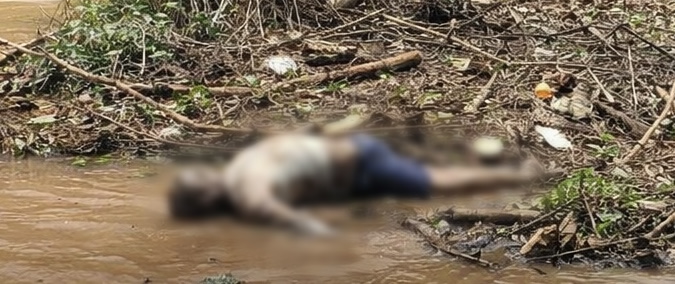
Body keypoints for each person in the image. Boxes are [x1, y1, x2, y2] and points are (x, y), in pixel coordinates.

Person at [168, 130, 548, 235]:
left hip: (361, 166)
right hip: (348, 156)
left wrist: (339, 232)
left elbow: (302, 225)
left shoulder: (247, 192)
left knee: (438, 182)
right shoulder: (240, 166)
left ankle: (517, 175)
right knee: (432, 175)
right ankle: (497, 165)